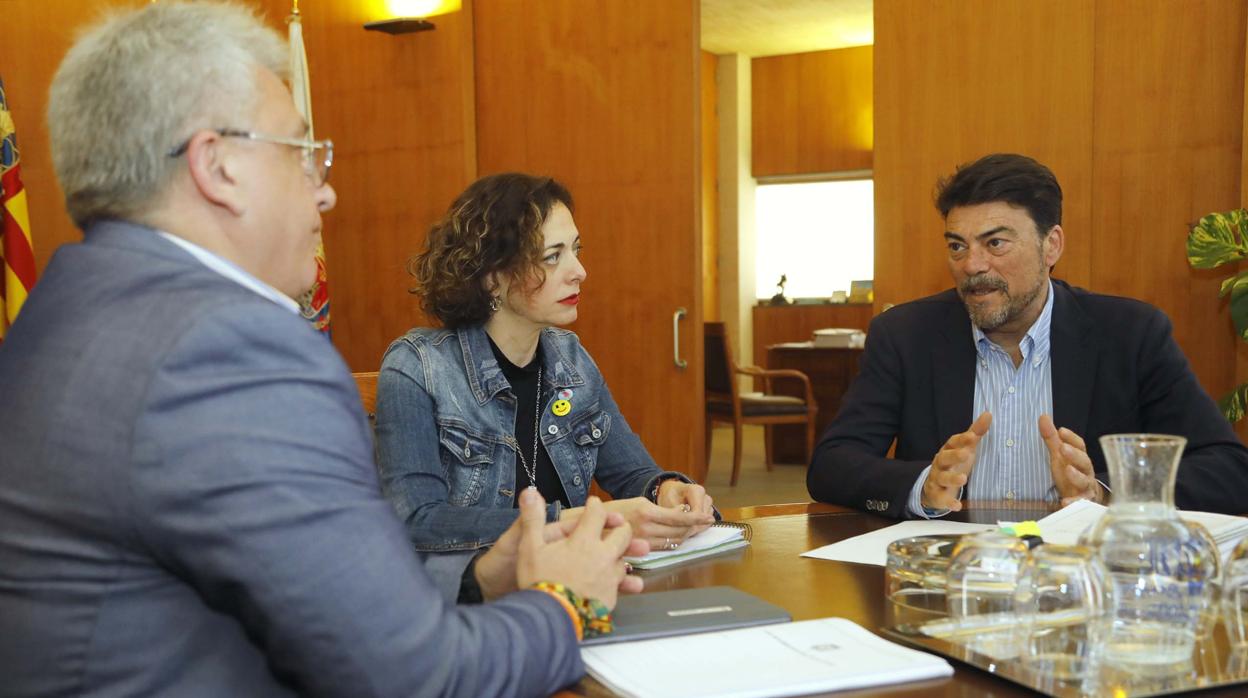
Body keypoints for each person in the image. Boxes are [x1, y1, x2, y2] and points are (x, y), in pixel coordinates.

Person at [0, 3, 646, 695]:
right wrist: (566, 603)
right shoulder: (229, 356)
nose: (326, 190)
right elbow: (412, 674)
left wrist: (484, 575)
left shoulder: (61, 313)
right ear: (216, 166)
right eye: (303, 154)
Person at [807, 153, 1248, 519]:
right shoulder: (906, 335)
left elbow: (1230, 471)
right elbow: (832, 464)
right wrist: (925, 485)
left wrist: (1106, 494)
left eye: (995, 243)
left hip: (1080, 582)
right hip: (954, 578)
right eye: (957, 245)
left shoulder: (1130, 335)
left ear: (1051, 245)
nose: (972, 265)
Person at [375, 173, 716, 597]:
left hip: (571, 593)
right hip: (471, 606)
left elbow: (633, 474)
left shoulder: (570, 358)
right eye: (552, 256)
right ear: (492, 277)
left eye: (575, 250)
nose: (579, 272)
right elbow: (418, 522)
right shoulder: (417, 366)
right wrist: (570, 522)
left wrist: (666, 489)